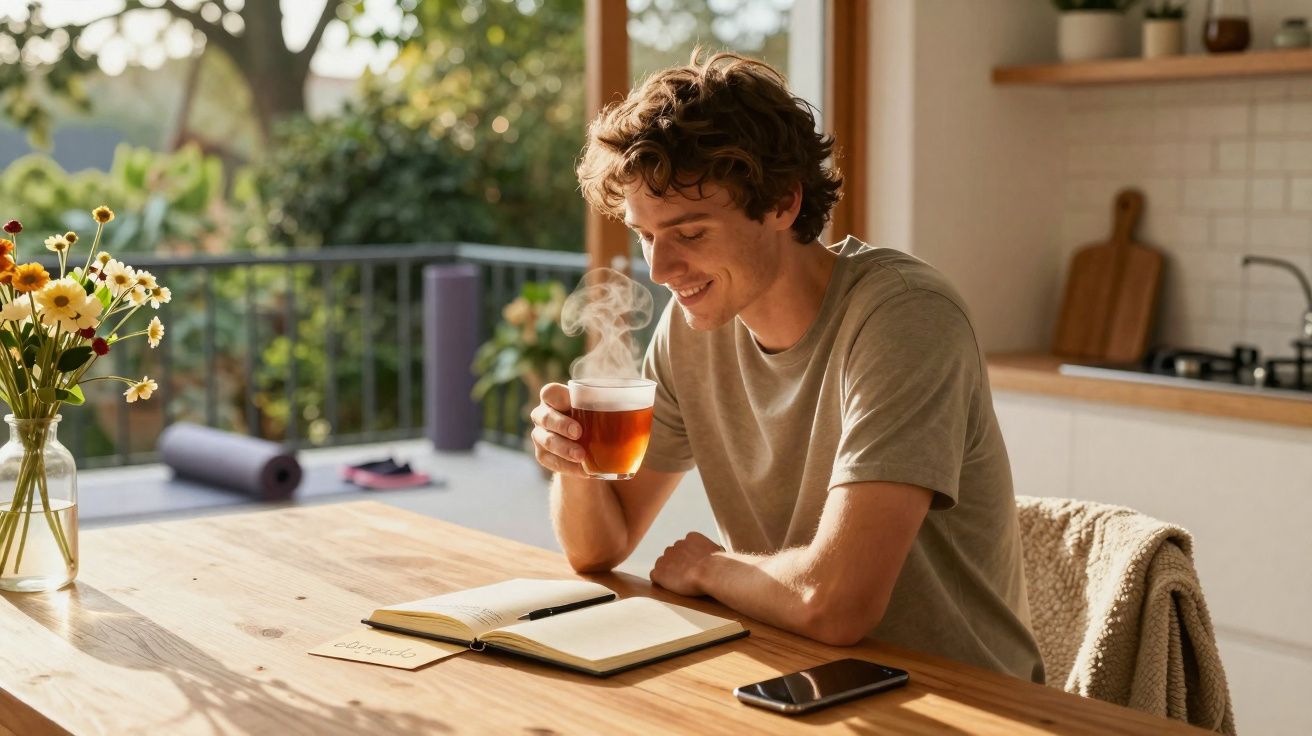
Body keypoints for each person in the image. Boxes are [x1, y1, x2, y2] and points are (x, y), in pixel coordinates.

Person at [530, 51, 1044, 683]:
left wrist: (713, 569)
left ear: (781, 203)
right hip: (798, 675)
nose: (661, 272)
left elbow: (836, 604)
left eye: (689, 234)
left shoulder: (905, 319)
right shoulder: (696, 328)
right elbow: (598, 547)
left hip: (960, 699)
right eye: (645, 235)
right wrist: (574, 461)